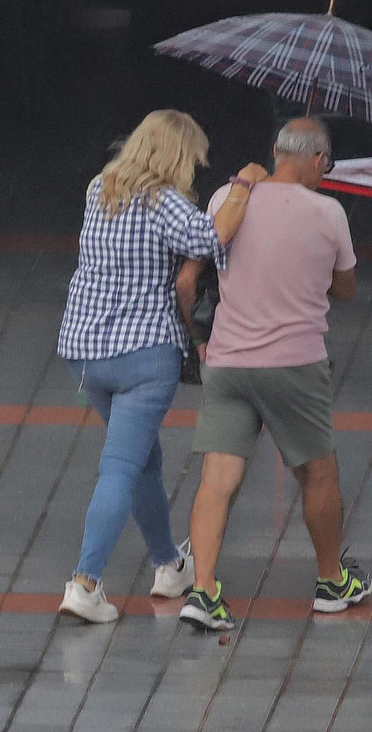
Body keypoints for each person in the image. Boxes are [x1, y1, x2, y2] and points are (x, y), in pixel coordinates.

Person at [57, 109, 268, 624]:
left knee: (141, 460)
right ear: (177, 156)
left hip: (85, 353)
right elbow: (212, 240)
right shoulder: (165, 203)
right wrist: (244, 184)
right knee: (121, 468)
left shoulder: (98, 189)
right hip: (143, 357)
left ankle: (168, 565)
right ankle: (85, 583)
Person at [176, 117, 372, 632]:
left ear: (275, 150)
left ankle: (202, 591)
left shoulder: (226, 198)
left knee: (217, 476)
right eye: (326, 165)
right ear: (315, 160)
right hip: (294, 366)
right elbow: (347, 289)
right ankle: (332, 582)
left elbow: (201, 267)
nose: (326, 174)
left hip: (227, 361)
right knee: (318, 472)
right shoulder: (329, 212)